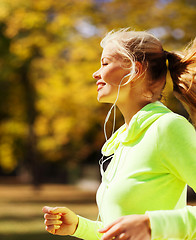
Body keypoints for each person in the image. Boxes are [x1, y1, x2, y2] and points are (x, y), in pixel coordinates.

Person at [43, 28, 196, 240]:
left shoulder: (168, 128)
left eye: (105, 63)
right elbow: (123, 229)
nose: (95, 73)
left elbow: (145, 227)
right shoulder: (124, 139)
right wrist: (79, 226)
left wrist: (154, 225)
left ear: (136, 70)